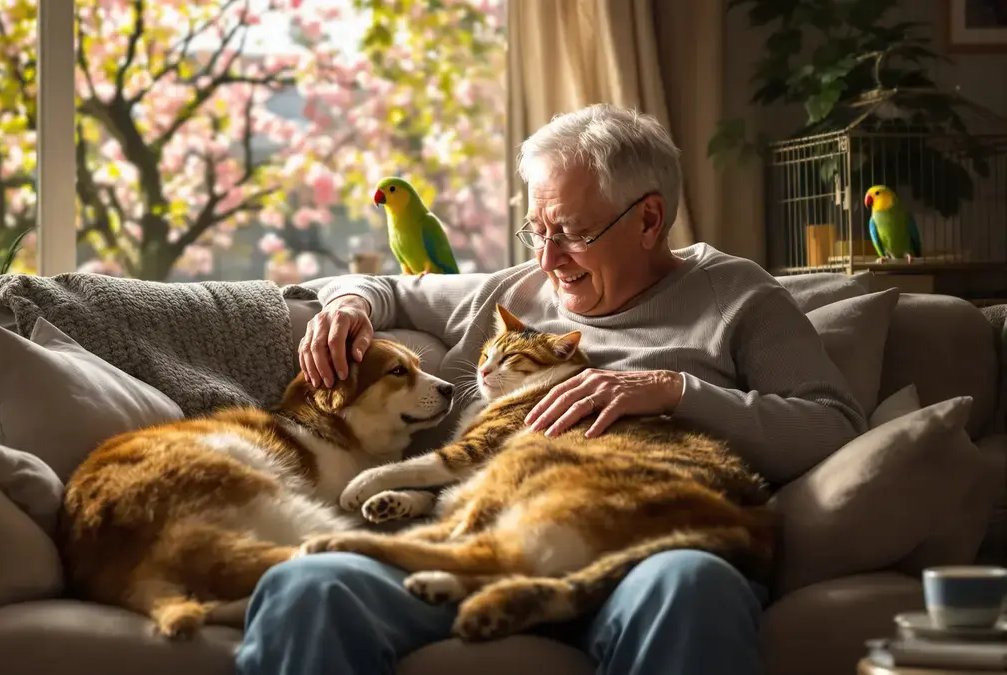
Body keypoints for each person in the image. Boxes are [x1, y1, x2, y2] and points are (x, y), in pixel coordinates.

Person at [234, 103, 867, 675]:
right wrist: (347, 307)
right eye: (536, 230)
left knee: (695, 582)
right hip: (470, 537)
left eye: (568, 232)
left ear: (649, 219)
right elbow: (390, 289)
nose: (546, 257)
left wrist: (673, 389)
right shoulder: (513, 294)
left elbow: (832, 426)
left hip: (635, 553)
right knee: (308, 586)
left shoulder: (737, 296)